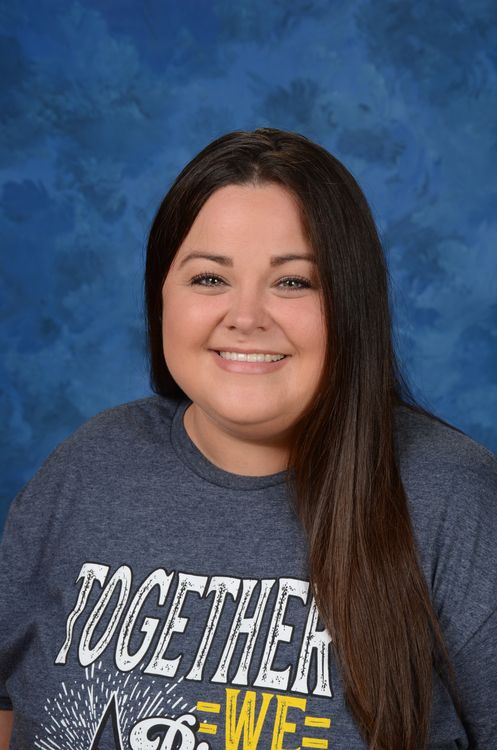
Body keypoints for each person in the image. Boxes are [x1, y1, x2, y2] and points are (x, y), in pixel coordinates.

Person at [0, 127, 495, 750]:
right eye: (209, 278)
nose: (246, 315)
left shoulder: (453, 498)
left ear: (352, 305)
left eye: (294, 282)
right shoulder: (88, 466)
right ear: (162, 295)